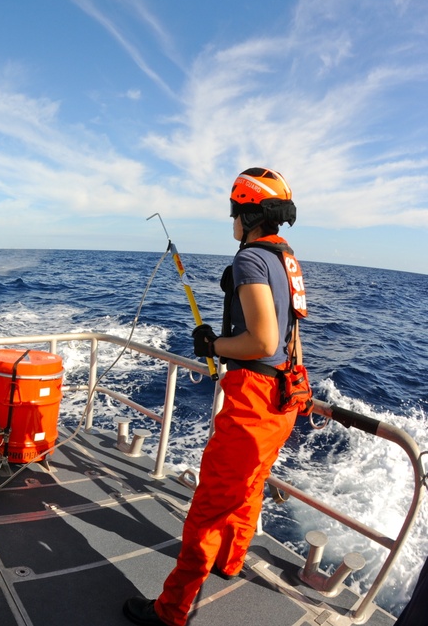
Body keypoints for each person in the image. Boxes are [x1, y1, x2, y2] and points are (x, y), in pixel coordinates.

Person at [124, 167, 309, 626]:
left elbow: (262, 342)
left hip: (252, 398)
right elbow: (286, 339)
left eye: (234, 210)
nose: (231, 219)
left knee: (208, 506)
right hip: (284, 397)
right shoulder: (285, 258)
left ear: (248, 213)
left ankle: (170, 611)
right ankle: (230, 560)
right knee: (248, 488)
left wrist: (212, 346)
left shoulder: (250, 259)